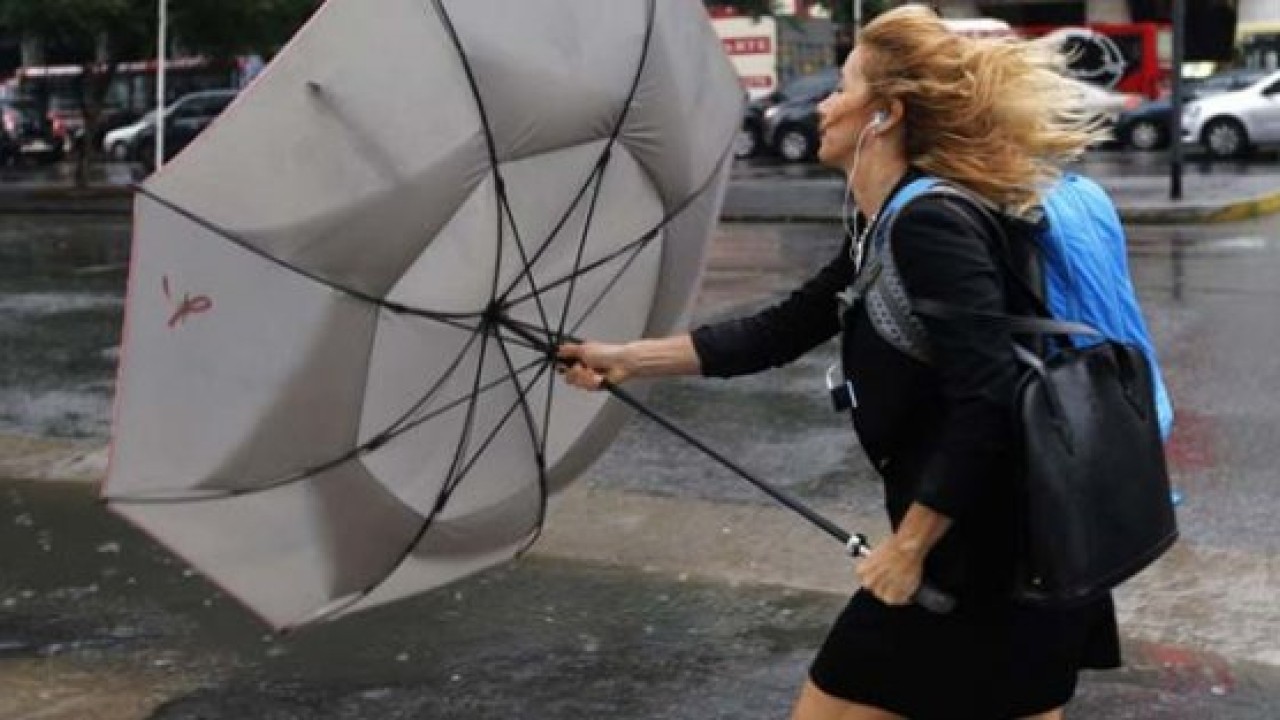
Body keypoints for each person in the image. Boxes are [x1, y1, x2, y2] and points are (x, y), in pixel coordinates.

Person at [558, 5, 1119, 719]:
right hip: (1013, 554)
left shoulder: (930, 225)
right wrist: (627, 359)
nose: (823, 103)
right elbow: (782, 329)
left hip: (985, 564)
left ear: (884, 114)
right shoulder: (885, 224)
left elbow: (990, 399)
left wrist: (909, 548)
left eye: (841, 86)